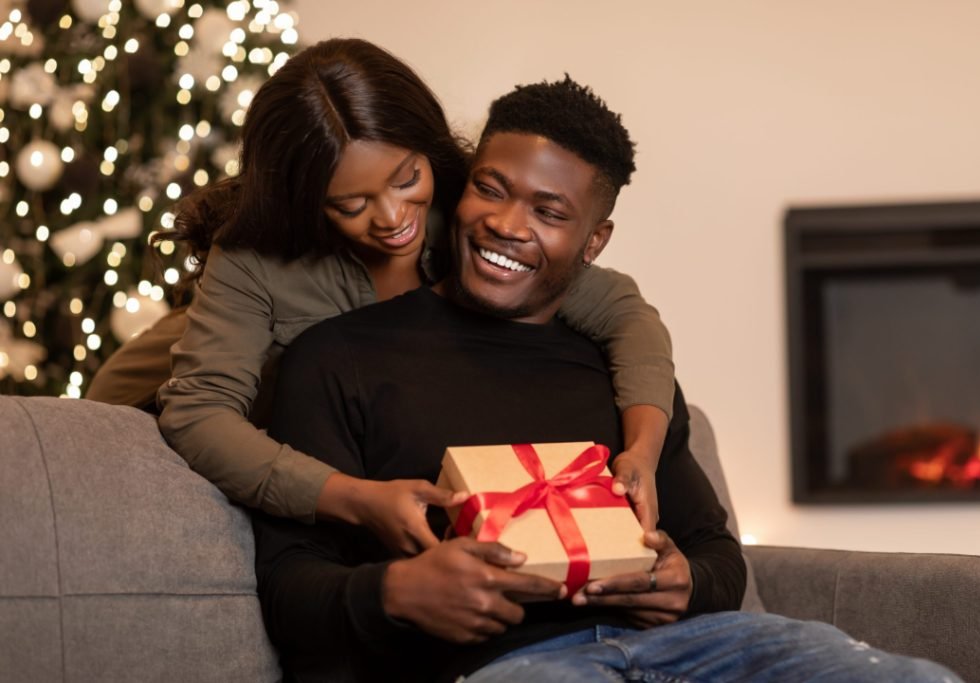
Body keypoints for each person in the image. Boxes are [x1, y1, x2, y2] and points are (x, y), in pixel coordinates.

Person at [253, 77, 961, 683]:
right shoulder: (337, 358)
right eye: (490, 190)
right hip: (506, 666)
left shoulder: (620, 371)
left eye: (549, 212)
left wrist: (682, 582)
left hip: (688, 651)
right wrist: (397, 591)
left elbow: (713, 551)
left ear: (594, 242)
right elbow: (289, 587)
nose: (504, 224)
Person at [83, 38, 675, 551]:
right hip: (139, 384)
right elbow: (198, 411)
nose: (393, 219)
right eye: (351, 204)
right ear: (306, 198)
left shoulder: (469, 215)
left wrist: (642, 453)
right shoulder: (250, 258)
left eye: (405, 179)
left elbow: (623, 312)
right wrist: (353, 497)